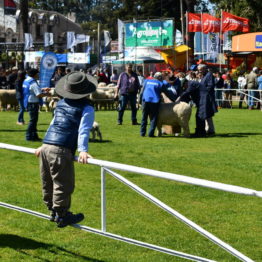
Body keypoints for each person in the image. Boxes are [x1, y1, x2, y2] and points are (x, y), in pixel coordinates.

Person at [35, 71, 96, 228]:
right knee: (63, 182)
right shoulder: (87, 108)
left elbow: (53, 124)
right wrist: (82, 149)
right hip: (61, 148)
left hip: (47, 145)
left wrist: (43, 144)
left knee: (47, 180)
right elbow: (83, 130)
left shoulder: (60, 103)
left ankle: (53, 211)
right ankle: (62, 215)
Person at [140, 72, 172, 137]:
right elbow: (167, 92)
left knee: (144, 117)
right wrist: (173, 99)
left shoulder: (146, 81)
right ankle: (150, 134)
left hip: (145, 100)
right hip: (154, 102)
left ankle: (142, 133)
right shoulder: (160, 83)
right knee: (153, 118)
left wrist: (140, 100)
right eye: (162, 78)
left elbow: (142, 91)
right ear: (160, 78)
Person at [23, 68, 50, 141]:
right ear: (34, 74)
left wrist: (43, 89)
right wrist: (47, 94)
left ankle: (34, 136)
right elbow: (38, 94)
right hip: (33, 103)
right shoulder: (33, 82)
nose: (38, 75)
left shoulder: (26, 80)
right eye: (37, 73)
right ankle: (29, 136)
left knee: (33, 120)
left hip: (28, 101)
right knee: (33, 121)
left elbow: (31, 90)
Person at [194, 64, 217, 137]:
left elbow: (210, 85)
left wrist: (203, 90)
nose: (199, 71)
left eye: (200, 70)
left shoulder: (209, 75)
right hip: (204, 97)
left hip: (207, 97)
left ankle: (210, 130)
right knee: (207, 114)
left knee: (207, 114)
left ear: (204, 69)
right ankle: (209, 129)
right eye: (199, 70)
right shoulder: (204, 75)